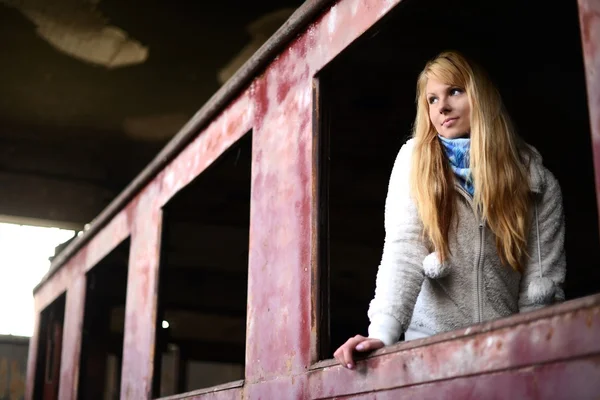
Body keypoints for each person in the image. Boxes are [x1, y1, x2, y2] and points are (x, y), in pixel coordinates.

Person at [333, 51, 566, 369]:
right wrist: (383, 333)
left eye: (454, 91)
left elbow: (540, 279)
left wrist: (532, 354)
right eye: (431, 99)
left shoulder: (536, 182)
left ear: (481, 96)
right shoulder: (414, 162)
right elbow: (404, 250)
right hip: (429, 357)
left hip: (505, 355)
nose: (441, 107)